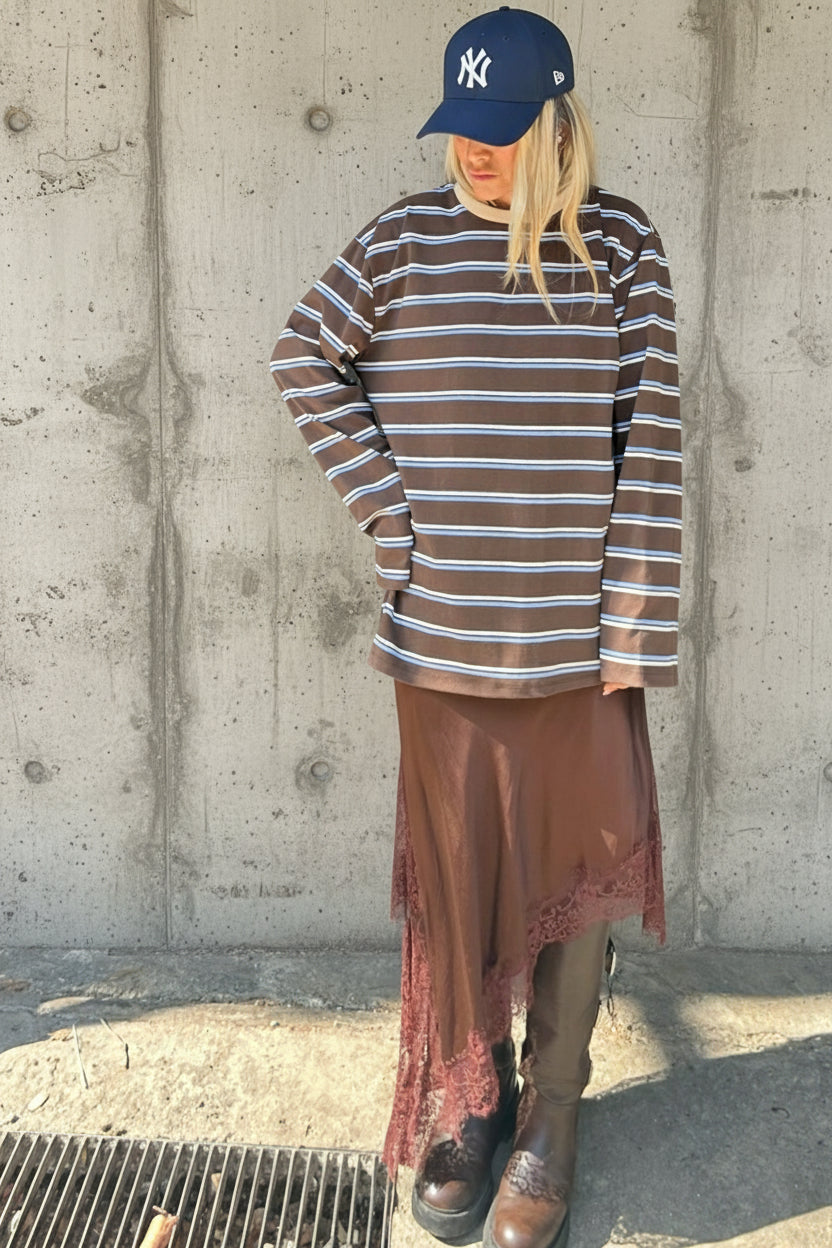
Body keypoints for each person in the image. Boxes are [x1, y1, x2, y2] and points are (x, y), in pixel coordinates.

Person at [270, 8, 681, 1247]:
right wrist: (391, 518)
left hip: (577, 654)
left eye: (501, 128)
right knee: (461, 892)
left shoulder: (620, 245)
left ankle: (554, 1111)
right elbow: (303, 356)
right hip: (442, 648)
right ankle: (472, 1097)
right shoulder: (401, 241)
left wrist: (630, 634)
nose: (475, 149)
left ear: (556, 123)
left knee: (579, 884)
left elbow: (648, 447)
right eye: (462, 126)